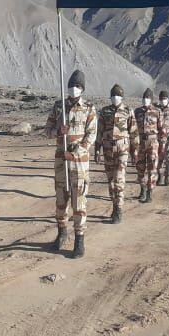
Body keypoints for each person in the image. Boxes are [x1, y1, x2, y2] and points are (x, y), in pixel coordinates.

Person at [44, 70, 97, 258]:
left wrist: (74, 154)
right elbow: (47, 131)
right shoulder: (59, 107)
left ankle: (79, 241)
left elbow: (91, 137)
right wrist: (59, 130)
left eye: (76, 86)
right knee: (61, 199)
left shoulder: (89, 109)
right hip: (61, 162)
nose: (72, 89)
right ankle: (61, 233)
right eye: (70, 86)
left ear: (82, 89)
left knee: (79, 201)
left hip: (79, 164)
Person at [98, 84, 138, 223]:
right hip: (108, 149)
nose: (115, 97)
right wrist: (97, 148)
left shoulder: (128, 111)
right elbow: (100, 131)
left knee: (119, 178)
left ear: (122, 97)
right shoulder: (104, 111)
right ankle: (114, 205)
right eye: (113, 95)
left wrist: (135, 151)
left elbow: (133, 132)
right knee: (110, 180)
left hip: (122, 150)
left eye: (118, 95)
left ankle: (119, 209)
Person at [134, 87, 162, 203]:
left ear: (151, 99)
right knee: (140, 167)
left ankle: (150, 192)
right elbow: (133, 128)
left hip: (153, 142)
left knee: (152, 168)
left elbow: (161, 129)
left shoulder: (157, 112)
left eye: (148, 98)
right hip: (140, 142)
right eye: (144, 98)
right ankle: (143, 189)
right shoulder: (137, 112)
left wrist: (162, 145)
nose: (145, 100)